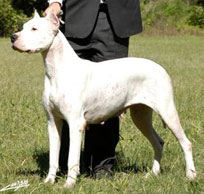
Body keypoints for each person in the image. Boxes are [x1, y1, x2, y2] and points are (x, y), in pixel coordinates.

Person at [44, 0, 142, 178]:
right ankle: (63, 166)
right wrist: (56, 2)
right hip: (74, 13)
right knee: (66, 94)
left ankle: (101, 165)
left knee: (110, 95)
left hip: (117, 17)